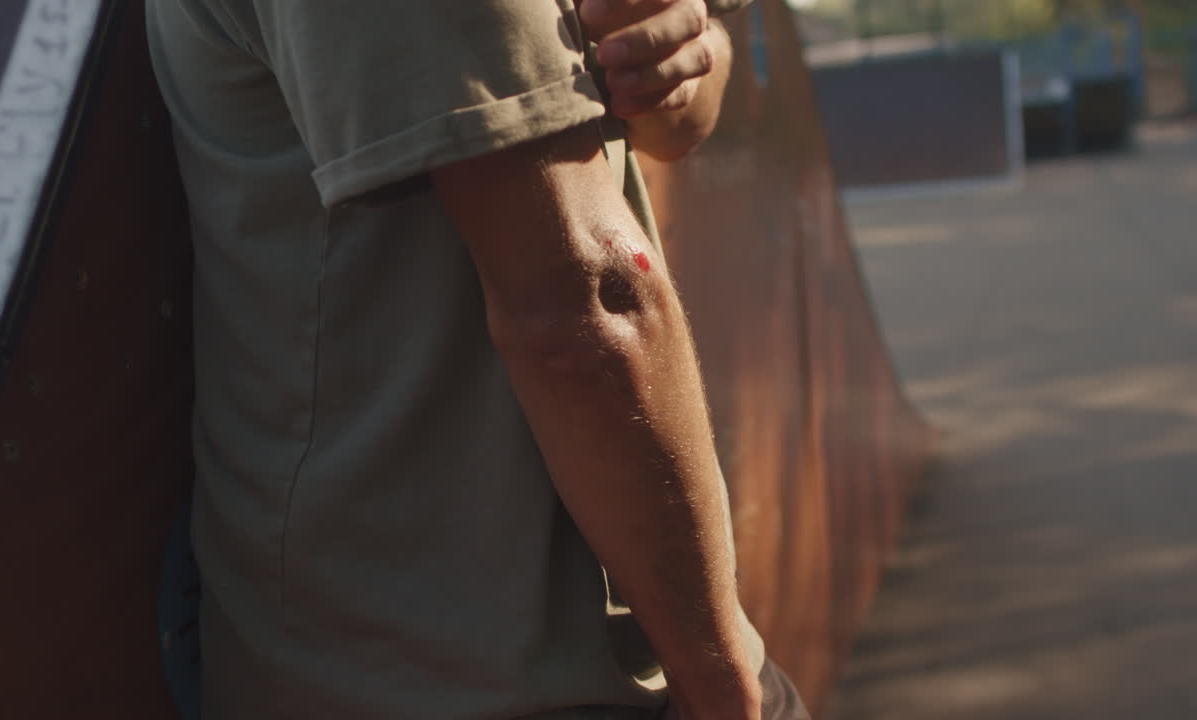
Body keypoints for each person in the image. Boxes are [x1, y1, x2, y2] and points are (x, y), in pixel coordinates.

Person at [146, 0, 808, 717]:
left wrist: (684, 45)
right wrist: (726, 685)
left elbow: (674, 118)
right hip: (437, 669)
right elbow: (590, 307)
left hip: (493, 657)